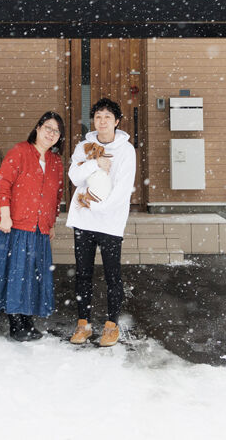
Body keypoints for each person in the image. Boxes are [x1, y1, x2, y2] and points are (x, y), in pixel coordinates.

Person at [0, 111, 66, 341]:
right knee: (17, 274)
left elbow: (56, 194)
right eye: (48, 128)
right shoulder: (20, 152)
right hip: (18, 225)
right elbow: (3, 183)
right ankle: (16, 324)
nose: (51, 133)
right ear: (38, 128)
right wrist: (5, 214)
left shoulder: (55, 162)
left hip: (40, 228)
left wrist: (51, 223)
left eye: (56, 131)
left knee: (34, 276)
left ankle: (28, 320)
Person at [67, 97, 137, 347]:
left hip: (109, 222)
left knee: (112, 275)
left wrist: (98, 206)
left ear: (117, 121)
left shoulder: (126, 150)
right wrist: (95, 163)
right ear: (93, 121)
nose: (102, 121)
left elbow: (122, 188)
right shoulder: (84, 146)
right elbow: (74, 176)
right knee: (83, 274)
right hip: (83, 221)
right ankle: (83, 324)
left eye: (108, 116)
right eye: (98, 116)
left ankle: (111, 326)